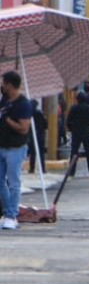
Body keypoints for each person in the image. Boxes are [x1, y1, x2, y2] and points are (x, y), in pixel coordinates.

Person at [0, 71, 34, 229]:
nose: (2, 86)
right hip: (2, 146)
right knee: (1, 182)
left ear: (10, 85)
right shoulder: (4, 100)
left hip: (16, 148)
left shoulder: (23, 104)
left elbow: (23, 128)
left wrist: (7, 119)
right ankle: (7, 212)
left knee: (13, 183)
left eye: (4, 83)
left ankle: (12, 215)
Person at [66, 92, 89, 177]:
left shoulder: (74, 108)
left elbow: (68, 121)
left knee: (74, 153)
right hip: (86, 132)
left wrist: (71, 129)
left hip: (76, 132)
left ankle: (72, 172)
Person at [27, 99, 47, 174]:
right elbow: (45, 124)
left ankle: (32, 168)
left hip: (32, 135)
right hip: (40, 135)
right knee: (41, 153)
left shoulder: (29, 114)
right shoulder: (40, 113)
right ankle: (43, 169)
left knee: (33, 153)